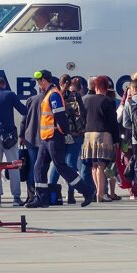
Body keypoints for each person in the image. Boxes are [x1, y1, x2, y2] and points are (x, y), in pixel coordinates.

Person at [28, 70, 95, 208]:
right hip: (46, 138)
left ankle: (87, 191)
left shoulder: (54, 95)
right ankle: (41, 198)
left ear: (44, 81)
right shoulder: (48, 94)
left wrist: (65, 133)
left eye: (39, 82)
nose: (38, 84)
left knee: (61, 166)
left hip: (54, 136)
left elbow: (60, 116)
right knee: (39, 167)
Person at [0, 77, 27, 206]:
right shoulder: (10, 95)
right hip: (9, 137)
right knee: (14, 166)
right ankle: (16, 198)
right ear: (4, 85)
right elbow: (23, 110)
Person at [81, 76, 120, 202]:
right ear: (106, 87)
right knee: (101, 165)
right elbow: (113, 122)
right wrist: (116, 139)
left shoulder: (86, 100)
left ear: (95, 86)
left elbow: (82, 118)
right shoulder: (108, 101)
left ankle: (97, 190)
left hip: (88, 134)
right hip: (104, 135)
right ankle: (100, 193)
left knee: (94, 165)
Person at [50, 76, 85, 204]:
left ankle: (51, 192)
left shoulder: (56, 96)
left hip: (60, 134)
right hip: (76, 135)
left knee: (57, 164)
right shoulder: (77, 97)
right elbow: (83, 114)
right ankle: (70, 194)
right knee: (71, 165)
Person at [18, 80, 46, 204]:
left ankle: (30, 195)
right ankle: (41, 194)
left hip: (30, 138)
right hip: (44, 138)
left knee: (32, 167)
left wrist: (21, 136)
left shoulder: (30, 100)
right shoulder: (49, 100)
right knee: (42, 167)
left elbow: (23, 120)